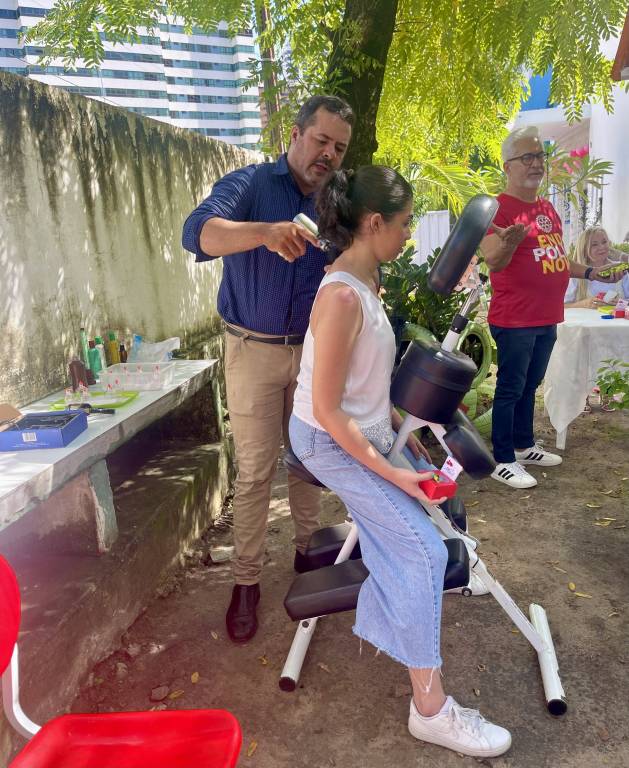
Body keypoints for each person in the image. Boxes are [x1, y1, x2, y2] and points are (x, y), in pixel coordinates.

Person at [290, 166, 512, 758]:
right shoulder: (342, 296)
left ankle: (411, 647)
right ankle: (430, 711)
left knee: (421, 531)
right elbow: (327, 409)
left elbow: (364, 383)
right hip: (324, 440)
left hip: (357, 428)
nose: (410, 233)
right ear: (373, 223)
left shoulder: (368, 278)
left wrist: (398, 433)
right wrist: (392, 473)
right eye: (406, 222)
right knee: (423, 553)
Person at [182, 95, 354, 643]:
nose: (328, 154)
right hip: (252, 351)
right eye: (321, 140)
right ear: (296, 134)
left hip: (312, 352)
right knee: (256, 471)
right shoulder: (252, 183)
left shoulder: (337, 201)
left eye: (339, 148)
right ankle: (245, 581)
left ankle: (307, 555)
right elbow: (197, 233)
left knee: (308, 460)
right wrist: (263, 232)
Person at [479, 126, 625, 490]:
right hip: (515, 318)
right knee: (510, 388)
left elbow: (557, 258)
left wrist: (592, 272)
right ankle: (503, 459)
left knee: (531, 385)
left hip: (546, 315)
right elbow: (493, 260)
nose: (536, 164)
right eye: (527, 157)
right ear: (508, 166)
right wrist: (509, 242)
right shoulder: (496, 209)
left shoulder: (546, 209)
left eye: (539, 156)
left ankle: (524, 445)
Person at [564, 226, 629, 308]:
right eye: (594, 244)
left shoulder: (620, 269)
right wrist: (583, 304)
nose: (601, 247)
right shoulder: (577, 274)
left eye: (604, 242)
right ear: (584, 249)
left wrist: (621, 303)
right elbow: (563, 306)